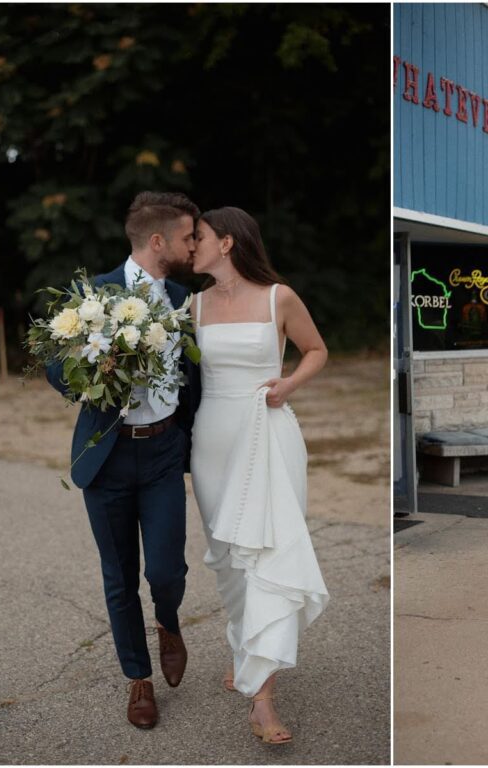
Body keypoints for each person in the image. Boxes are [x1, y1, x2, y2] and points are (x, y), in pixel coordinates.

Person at [45, 191, 202, 728]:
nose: (193, 245)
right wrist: (97, 370)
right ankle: (139, 679)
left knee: (166, 570)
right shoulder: (93, 295)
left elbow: (195, 379)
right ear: (158, 241)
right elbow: (56, 370)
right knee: (119, 576)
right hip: (108, 456)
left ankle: (168, 622)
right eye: (187, 237)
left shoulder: (183, 297)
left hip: (163, 452)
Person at [189, 206, 329, 744]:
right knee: (229, 559)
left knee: (265, 554)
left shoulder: (279, 297)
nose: (191, 246)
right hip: (212, 441)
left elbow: (316, 350)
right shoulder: (193, 305)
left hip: (268, 434)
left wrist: (288, 384)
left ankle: (263, 701)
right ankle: (245, 651)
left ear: (226, 243)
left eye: (199, 237)